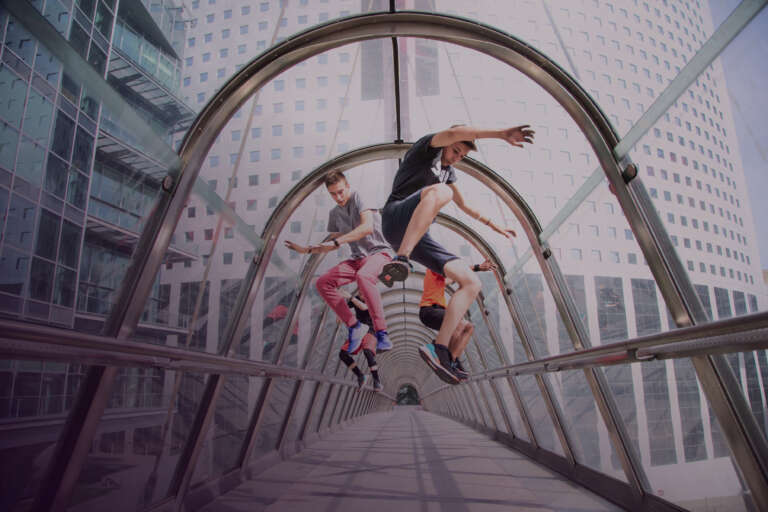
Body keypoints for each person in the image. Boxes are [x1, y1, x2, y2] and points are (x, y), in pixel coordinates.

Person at [379, 124, 533, 382]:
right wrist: (500, 134)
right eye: (455, 151)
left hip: (418, 236)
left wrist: (495, 226)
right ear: (446, 143)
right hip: (396, 218)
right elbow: (454, 133)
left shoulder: (447, 173)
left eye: (462, 156)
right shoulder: (425, 150)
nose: (456, 158)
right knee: (443, 191)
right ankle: (401, 259)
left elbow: (465, 206)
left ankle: (439, 349)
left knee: (471, 283)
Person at [285, 170, 393, 354]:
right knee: (323, 282)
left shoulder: (359, 197)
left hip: (379, 253)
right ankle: (354, 326)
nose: (338, 197)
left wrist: (337, 241)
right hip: (357, 259)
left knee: (364, 276)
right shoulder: (334, 213)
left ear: (347, 186)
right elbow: (332, 242)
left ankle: (382, 332)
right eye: (333, 194)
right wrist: (307, 249)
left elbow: (366, 227)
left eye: (341, 191)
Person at [419, 260, 496, 383]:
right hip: (429, 310)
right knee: (459, 323)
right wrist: (477, 267)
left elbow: (452, 279)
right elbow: (458, 271)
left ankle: (452, 362)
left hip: (438, 311)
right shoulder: (433, 268)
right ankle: (438, 351)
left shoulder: (440, 279)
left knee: (469, 327)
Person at [338, 291, 383, 391]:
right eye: (359, 291)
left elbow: (364, 307)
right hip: (359, 330)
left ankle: (377, 381)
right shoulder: (356, 298)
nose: (360, 293)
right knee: (343, 354)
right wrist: (341, 315)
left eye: (363, 291)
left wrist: (351, 297)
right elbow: (345, 307)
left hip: (371, 330)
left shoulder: (373, 299)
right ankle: (360, 376)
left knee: (367, 351)